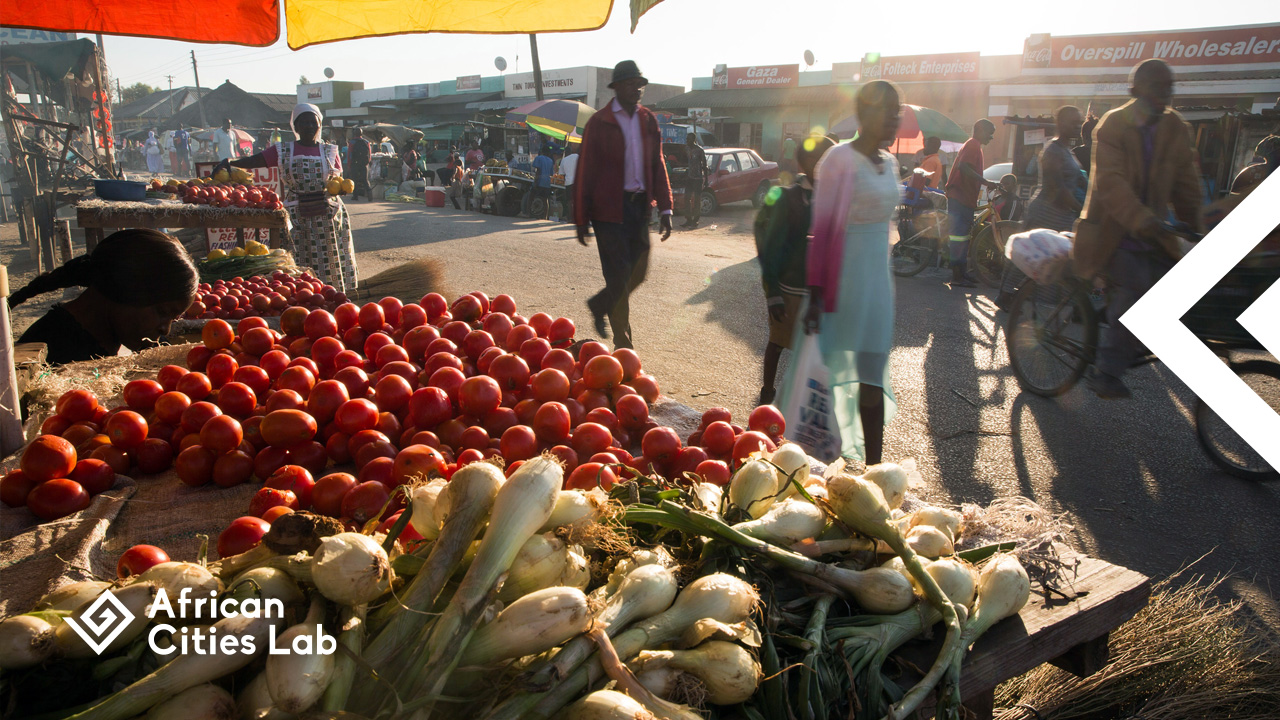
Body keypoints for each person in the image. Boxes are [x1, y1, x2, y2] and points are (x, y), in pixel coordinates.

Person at [781, 80, 903, 466]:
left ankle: (874, 467)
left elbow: (887, 227)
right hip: (841, 285)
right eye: (888, 112)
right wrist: (816, 296)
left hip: (877, 285)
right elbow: (822, 230)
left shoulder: (891, 163)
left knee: (873, 374)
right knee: (823, 377)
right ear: (865, 114)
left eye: (897, 114)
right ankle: (813, 460)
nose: (895, 121)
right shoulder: (839, 160)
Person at [1073, 59, 1203, 399]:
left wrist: (1196, 225)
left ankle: (1117, 323)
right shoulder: (1113, 124)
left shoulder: (1175, 127)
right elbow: (1110, 182)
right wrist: (1143, 220)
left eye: (1168, 87)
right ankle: (1106, 372)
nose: (1164, 94)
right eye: (1156, 87)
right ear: (1135, 90)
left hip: (1155, 232)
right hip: (1112, 232)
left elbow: (1186, 183)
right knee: (1136, 290)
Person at [575, 60, 674, 350]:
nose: (637, 89)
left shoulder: (648, 120)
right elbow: (585, 171)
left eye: (639, 83)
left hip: (639, 208)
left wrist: (666, 208)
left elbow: (657, 164)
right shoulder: (600, 122)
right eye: (631, 83)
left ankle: (599, 304)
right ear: (617, 87)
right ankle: (623, 343)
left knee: (638, 272)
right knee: (618, 277)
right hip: (607, 212)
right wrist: (581, 218)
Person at [216, 104, 359, 294]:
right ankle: (302, 297)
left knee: (329, 260)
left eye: (312, 122)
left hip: (327, 217)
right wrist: (230, 163)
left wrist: (341, 190)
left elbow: (338, 181)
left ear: (319, 125)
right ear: (296, 127)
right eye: (304, 122)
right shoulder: (282, 150)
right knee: (298, 259)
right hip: (296, 214)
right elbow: (254, 161)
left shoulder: (330, 151)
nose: (308, 126)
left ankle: (331, 296)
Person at [14, 229, 198, 365]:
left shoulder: (115, 333)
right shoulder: (56, 355)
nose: (165, 329)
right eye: (163, 312)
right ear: (124, 289)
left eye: (174, 318)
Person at [755, 134, 835, 406]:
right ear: (808, 162)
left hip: (821, 292)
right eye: (824, 160)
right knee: (777, 343)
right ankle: (767, 394)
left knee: (814, 353)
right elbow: (770, 246)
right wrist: (772, 291)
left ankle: (802, 405)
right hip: (788, 288)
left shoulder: (835, 200)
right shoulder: (790, 198)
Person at [944, 118, 1000, 288]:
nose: (991, 137)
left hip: (965, 198)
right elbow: (964, 167)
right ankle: (957, 276)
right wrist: (985, 181)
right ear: (981, 130)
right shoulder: (973, 145)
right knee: (959, 237)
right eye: (990, 134)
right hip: (959, 196)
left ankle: (962, 273)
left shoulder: (974, 146)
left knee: (963, 237)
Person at [682, 132, 709, 229]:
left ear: (693, 140)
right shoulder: (687, 148)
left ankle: (695, 221)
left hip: (698, 178)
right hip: (690, 177)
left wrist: (706, 180)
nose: (686, 141)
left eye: (688, 139)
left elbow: (705, 166)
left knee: (697, 200)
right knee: (687, 198)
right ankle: (688, 219)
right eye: (686, 139)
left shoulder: (700, 150)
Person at [347, 129, 372, 202]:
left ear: (354, 134)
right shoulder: (366, 142)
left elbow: (350, 154)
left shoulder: (352, 142)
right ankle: (370, 196)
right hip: (364, 164)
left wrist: (349, 165)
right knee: (365, 180)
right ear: (362, 134)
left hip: (355, 163)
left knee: (354, 180)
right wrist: (367, 162)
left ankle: (355, 196)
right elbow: (369, 154)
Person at [530, 146, 554, 219]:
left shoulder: (539, 158)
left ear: (542, 152)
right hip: (547, 182)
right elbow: (551, 174)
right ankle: (545, 216)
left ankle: (530, 213)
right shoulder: (550, 161)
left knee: (532, 196)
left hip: (540, 180)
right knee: (545, 199)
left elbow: (538, 170)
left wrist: (535, 182)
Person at [560, 145, 579, 222]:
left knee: (569, 201)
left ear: (565, 152)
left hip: (569, 183)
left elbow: (562, 174)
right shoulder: (578, 156)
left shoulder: (564, 160)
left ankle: (570, 218)